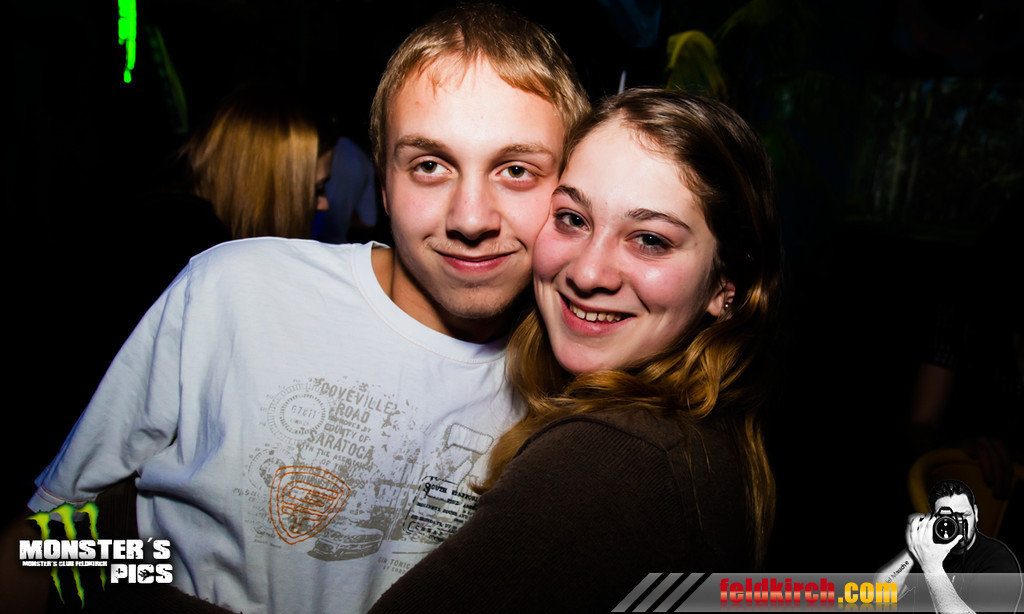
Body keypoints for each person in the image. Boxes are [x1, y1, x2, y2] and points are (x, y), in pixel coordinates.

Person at [2, 4, 589, 614]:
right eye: (429, 165)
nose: (470, 218)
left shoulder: (572, 389)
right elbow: (46, 540)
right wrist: (138, 581)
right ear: (384, 185)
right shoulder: (238, 290)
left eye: (516, 170)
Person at [369, 87, 783, 613]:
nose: (587, 274)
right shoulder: (698, 436)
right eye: (572, 218)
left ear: (727, 284)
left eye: (650, 240)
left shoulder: (613, 462)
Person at [875, 479, 1022, 613]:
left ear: (976, 513)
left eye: (963, 515)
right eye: (947, 519)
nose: (956, 524)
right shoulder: (926, 551)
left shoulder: (998, 560)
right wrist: (914, 548)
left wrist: (932, 568)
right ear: (933, 519)